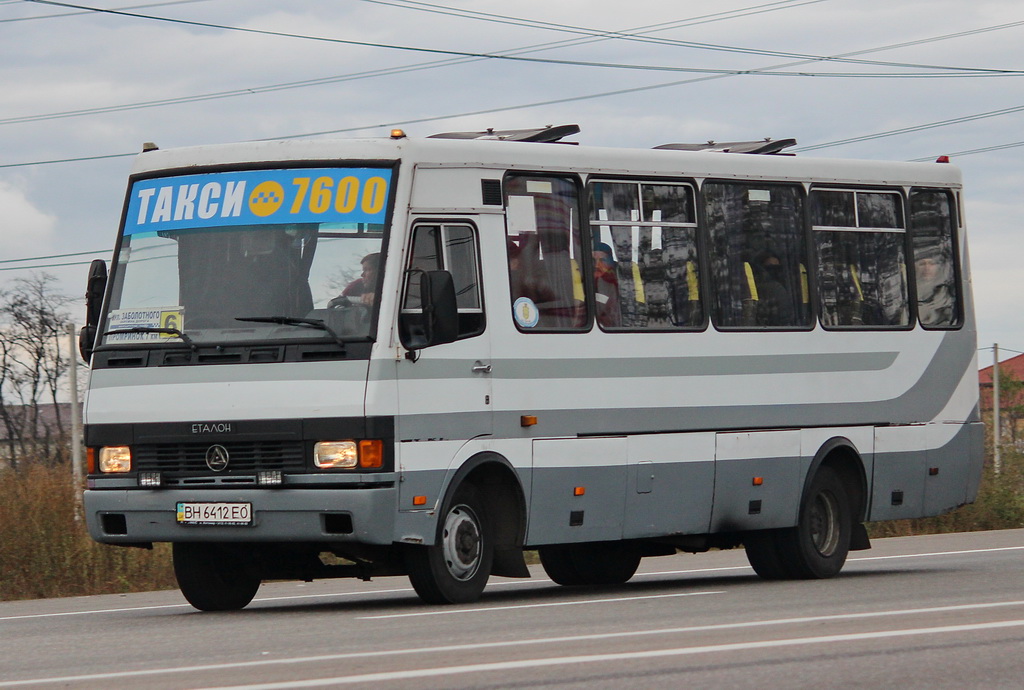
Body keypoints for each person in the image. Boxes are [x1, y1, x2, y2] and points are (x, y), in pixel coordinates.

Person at [592, 242, 621, 328]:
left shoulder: (617, 277)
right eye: (594, 260)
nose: (597, 264)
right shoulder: (586, 278)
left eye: (602, 260)